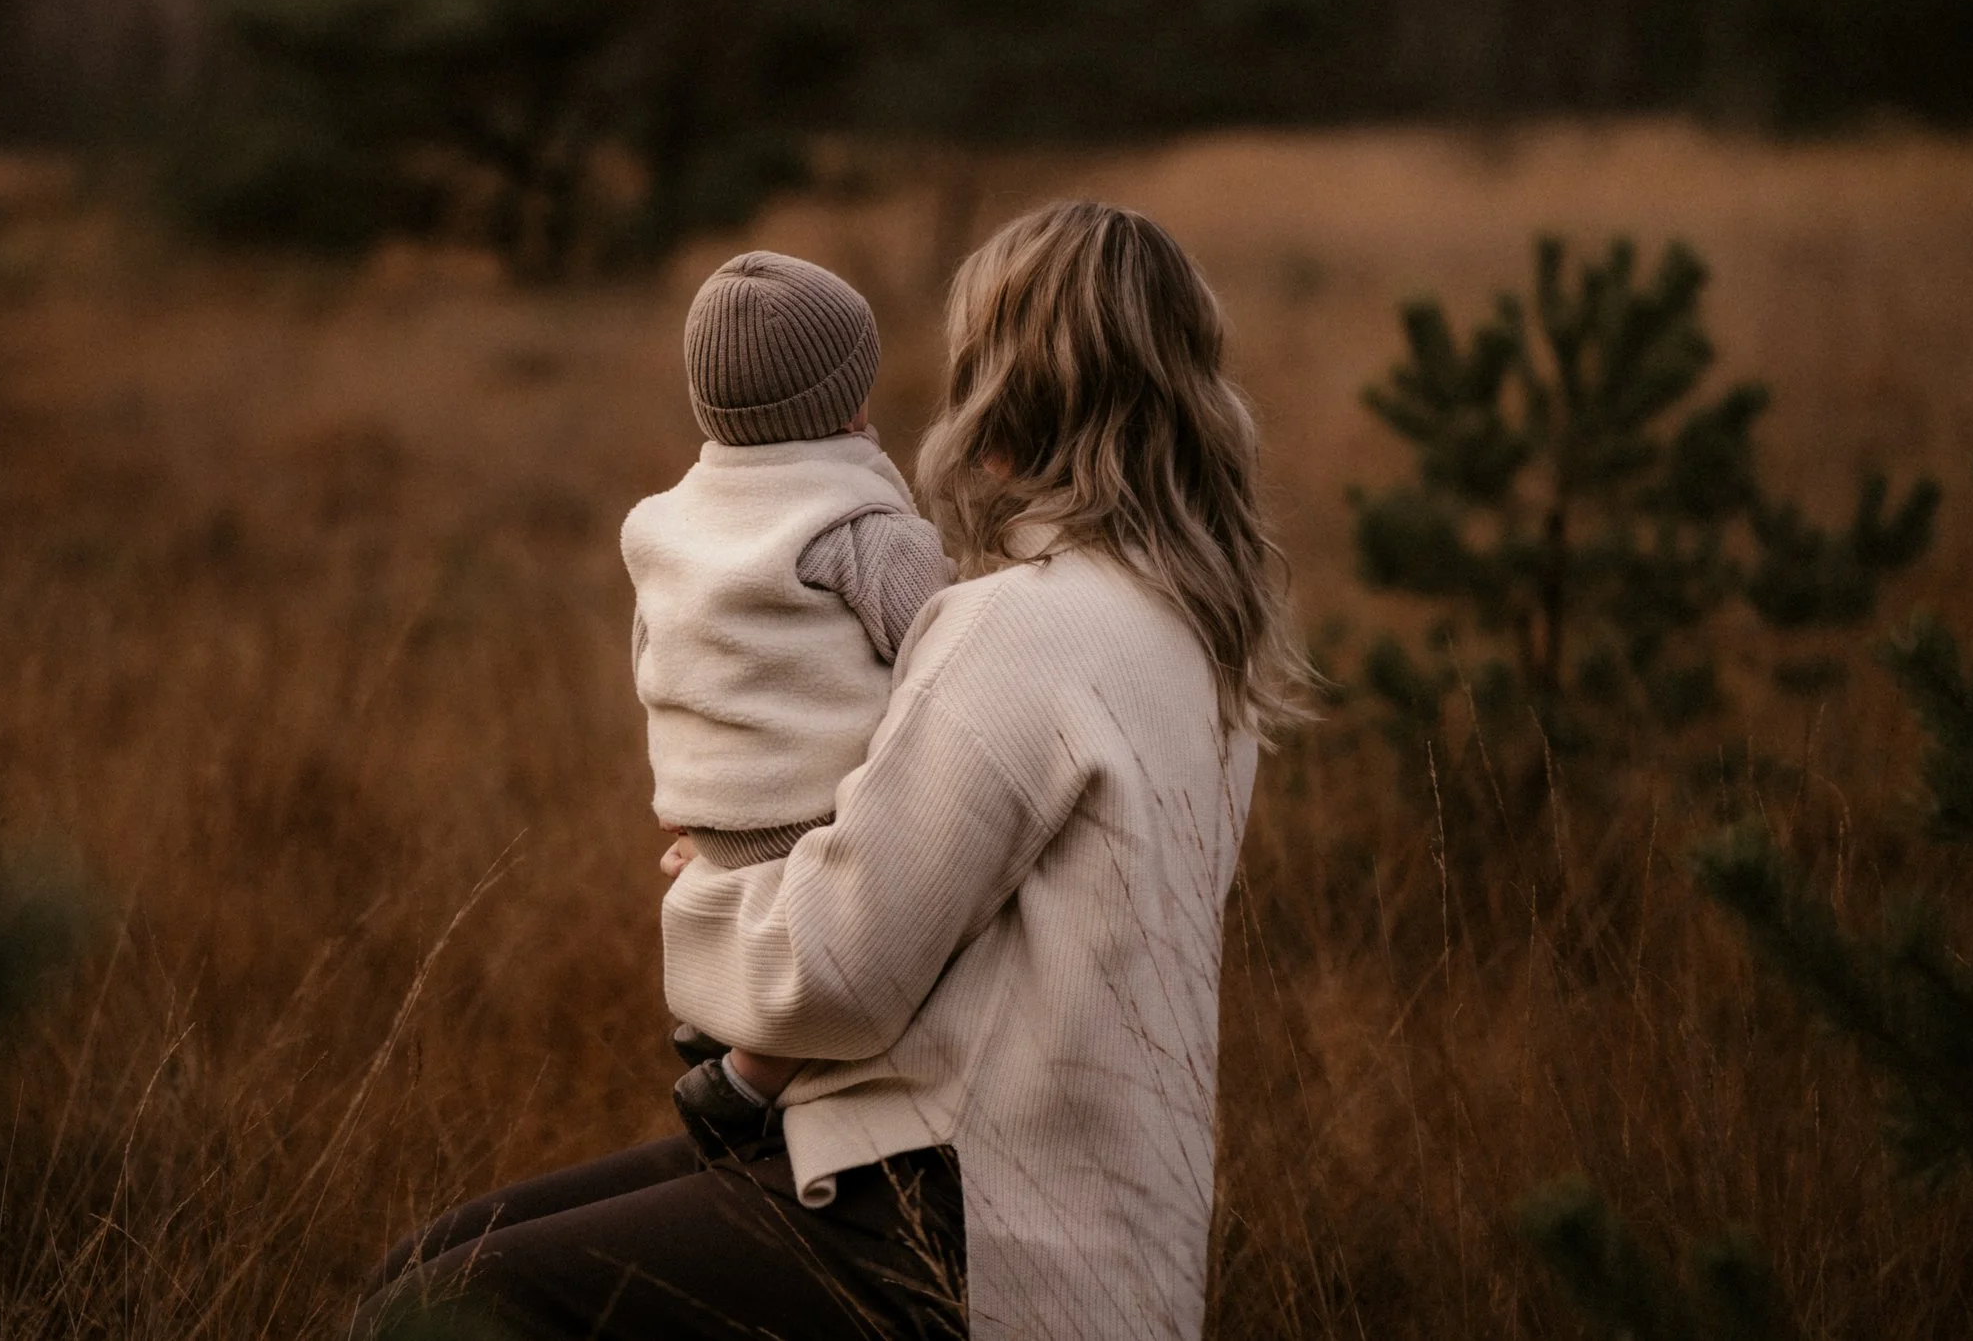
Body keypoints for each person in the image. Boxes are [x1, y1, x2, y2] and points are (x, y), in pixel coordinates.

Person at [357, 201, 1305, 1341]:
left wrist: (711, 891)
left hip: (960, 1210)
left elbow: (834, 973)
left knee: (437, 1300)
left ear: (1005, 397)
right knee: (439, 1266)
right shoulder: (1204, 648)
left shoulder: (1018, 628)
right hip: (1095, 1223)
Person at [622, 249, 953, 1140]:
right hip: (813, 817)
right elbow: (945, 669)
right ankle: (752, 1072)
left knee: (747, 894)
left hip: (703, 819)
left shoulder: (664, 524)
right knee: (893, 922)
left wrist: (698, 788)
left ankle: (716, 1004)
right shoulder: (863, 532)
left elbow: (653, 658)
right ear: (851, 398)